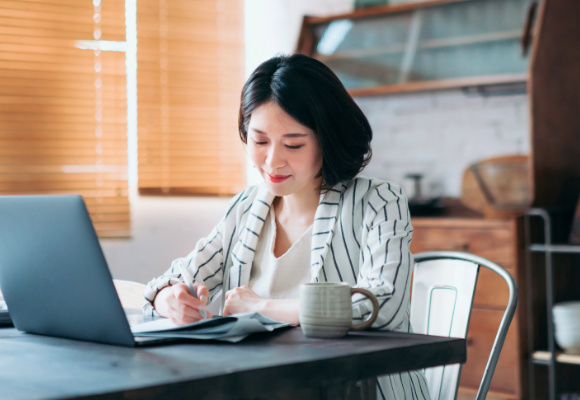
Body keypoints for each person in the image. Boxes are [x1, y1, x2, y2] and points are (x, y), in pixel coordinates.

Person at [142, 54, 427, 400]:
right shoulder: (247, 207)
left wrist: (259, 307)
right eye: (259, 141)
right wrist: (167, 298)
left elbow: (380, 305)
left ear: (328, 138)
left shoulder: (377, 202)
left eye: (293, 144)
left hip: (355, 390)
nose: (272, 161)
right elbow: (177, 278)